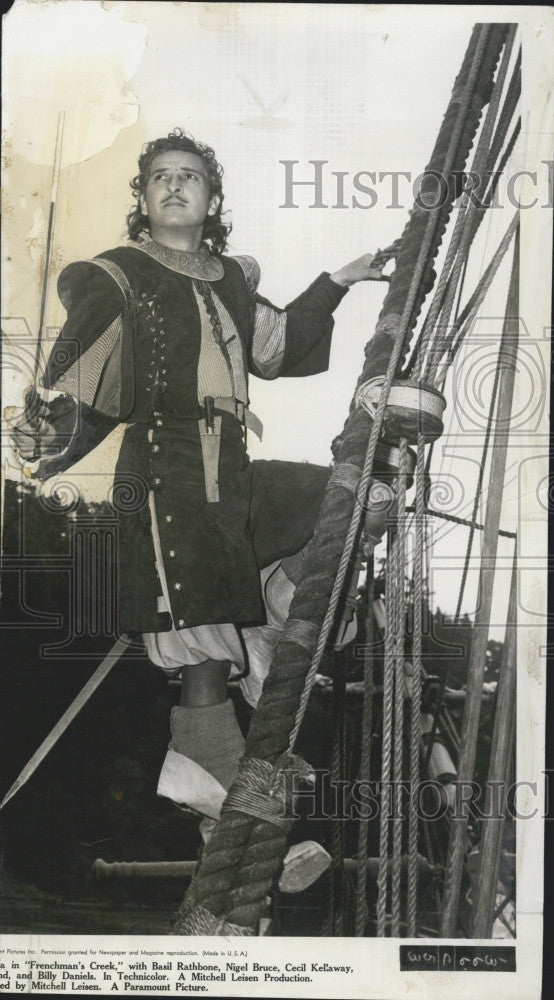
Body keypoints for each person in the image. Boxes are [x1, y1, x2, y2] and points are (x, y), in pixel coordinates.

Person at [12, 128, 391, 860]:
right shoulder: (118, 275)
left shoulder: (231, 280)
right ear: (144, 199)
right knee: (204, 643)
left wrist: (339, 279)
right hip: (166, 469)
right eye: (161, 177)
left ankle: (265, 685)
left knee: (352, 501)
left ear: (213, 199)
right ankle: (231, 811)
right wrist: (45, 435)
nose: (176, 186)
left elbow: (278, 349)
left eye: (190, 176)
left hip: (234, 468)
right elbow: (83, 384)